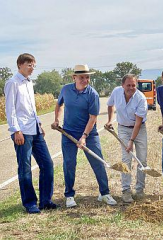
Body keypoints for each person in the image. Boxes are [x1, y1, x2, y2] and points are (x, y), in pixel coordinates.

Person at [52, 64, 116, 207]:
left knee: (97, 162)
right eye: (82, 77)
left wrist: (84, 137)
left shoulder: (93, 94)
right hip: (68, 133)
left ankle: (104, 193)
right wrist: (56, 119)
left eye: (87, 77)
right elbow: (59, 105)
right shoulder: (66, 90)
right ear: (74, 77)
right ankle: (69, 195)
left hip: (89, 134)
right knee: (69, 163)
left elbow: (92, 118)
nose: (85, 80)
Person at [4, 53, 57, 213]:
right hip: (22, 132)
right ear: (20, 65)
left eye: (34, 65)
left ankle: (45, 201)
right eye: (29, 65)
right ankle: (30, 203)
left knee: (47, 164)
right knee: (25, 168)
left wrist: (39, 123)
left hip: (34, 129)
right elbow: (10, 109)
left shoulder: (29, 83)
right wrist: (16, 130)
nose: (32, 68)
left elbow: (31, 108)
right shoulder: (12, 83)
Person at [105, 74, 148, 203]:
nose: (131, 87)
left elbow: (138, 123)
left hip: (139, 129)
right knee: (126, 159)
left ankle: (139, 190)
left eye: (133, 85)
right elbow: (110, 105)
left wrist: (131, 141)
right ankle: (126, 190)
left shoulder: (141, 99)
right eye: (128, 85)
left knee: (142, 160)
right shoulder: (116, 92)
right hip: (123, 128)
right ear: (122, 85)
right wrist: (109, 120)